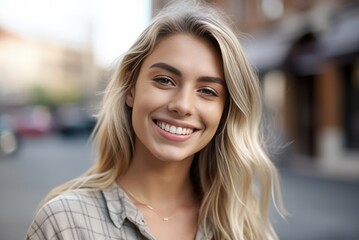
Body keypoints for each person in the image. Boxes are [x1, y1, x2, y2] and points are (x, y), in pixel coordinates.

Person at [26, 0, 285, 239]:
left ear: (224, 112)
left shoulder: (241, 225)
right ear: (131, 89)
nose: (182, 105)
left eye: (207, 91)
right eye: (164, 80)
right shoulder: (65, 222)